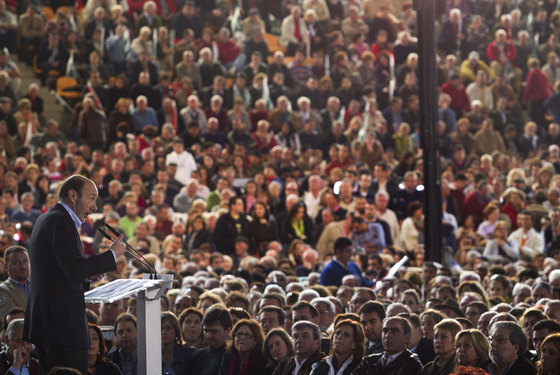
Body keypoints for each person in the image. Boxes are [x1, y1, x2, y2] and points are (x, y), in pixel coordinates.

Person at [23, 175, 127, 374]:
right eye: (91, 198)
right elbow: (73, 267)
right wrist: (111, 256)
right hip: (61, 328)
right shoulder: (60, 221)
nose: (94, 206)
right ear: (73, 195)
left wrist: (87, 276)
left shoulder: (49, 218)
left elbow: (60, 271)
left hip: (51, 325)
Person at [353, 316, 423, 375]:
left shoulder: (413, 365)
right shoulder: (369, 361)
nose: (388, 335)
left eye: (394, 331)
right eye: (385, 331)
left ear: (407, 337)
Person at [188, 305, 233, 375]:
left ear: (228, 330)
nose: (208, 336)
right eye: (206, 331)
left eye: (214, 331)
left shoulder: (234, 357)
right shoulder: (198, 356)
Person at [0, 246, 30, 321]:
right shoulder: (3, 290)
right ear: (6, 267)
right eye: (16, 263)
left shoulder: (39, 286)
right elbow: (13, 319)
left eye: (25, 261)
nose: (23, 266)